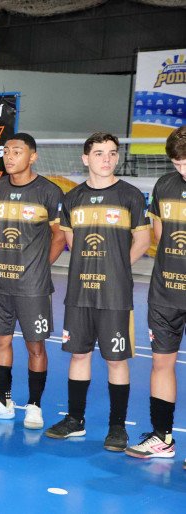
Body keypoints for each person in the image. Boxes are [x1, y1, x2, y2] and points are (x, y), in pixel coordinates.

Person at [45, 132, 151, 451]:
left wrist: (116, 267)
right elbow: (72, 242)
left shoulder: (131, 195)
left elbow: (143, 241)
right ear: (85, 158)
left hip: (115, 293)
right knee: (79, 354)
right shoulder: (73, 198)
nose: (107, 159)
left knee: (116, 359)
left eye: (112, 153)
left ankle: (117, 428)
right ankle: (75, 420)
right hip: (79, 292)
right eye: (100, 153)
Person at [0, 133, 65, 429]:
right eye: (6, 151)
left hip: (33, 286)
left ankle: (34, 406)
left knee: (36, 347)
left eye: (17, 152)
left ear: (32, 157)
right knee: (0, 341)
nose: (9, 157)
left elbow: (59, 236)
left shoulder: (49, 191)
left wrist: (40, 267)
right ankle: (3, 401)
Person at [126, 126, 186, 462]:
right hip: (165, 293)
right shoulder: (164, 185)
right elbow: (160, 237)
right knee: (161, 363)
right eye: (177, 164)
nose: (183, 170)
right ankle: (162, 438)